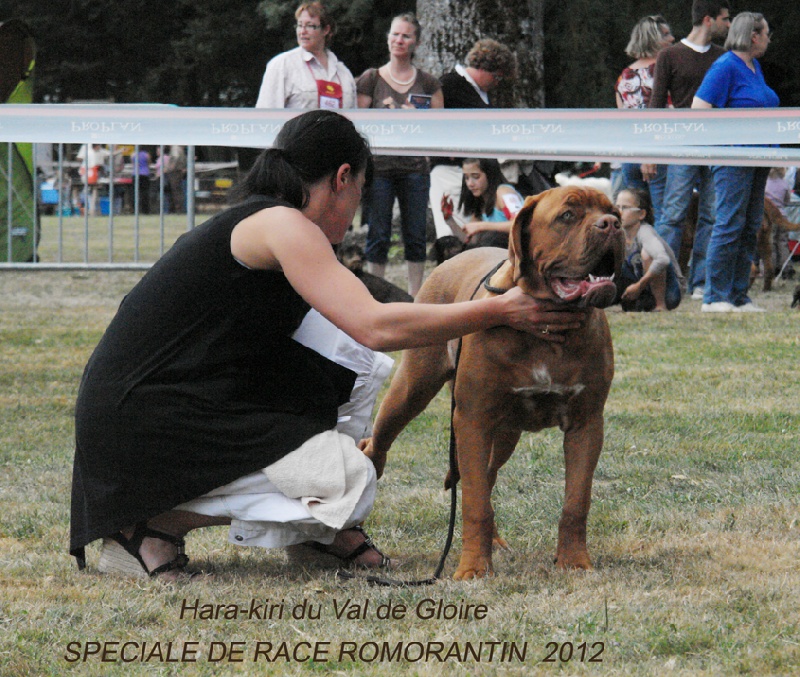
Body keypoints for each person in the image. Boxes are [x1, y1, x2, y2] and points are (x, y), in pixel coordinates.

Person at [69, 110, 585, 580]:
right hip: (140, 423)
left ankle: (321, 535)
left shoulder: (267, 219)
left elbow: (362, 333)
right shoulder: (283, 224)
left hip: (167, 403)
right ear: (342, 179)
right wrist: (498, 309)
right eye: (360, 192)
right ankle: (144, 527)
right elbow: (376, 325)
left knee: (353, 361)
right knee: (350, 482)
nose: (356, 215)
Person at [693, 12, 779, 312]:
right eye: (767, 33)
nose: (769, 39)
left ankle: (739, 296)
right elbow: (699, 109)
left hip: (759, 159)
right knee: (729, 224)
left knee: (750, 226)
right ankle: (714, 296)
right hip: (732, 160)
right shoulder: (725, 66)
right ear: (754, 35)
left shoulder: (754, 67)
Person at [646, 0, 731, 300]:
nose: (729, 24)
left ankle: (700, 282)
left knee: (711, 215)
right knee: (673, 215)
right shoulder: (669, 55)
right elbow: (656, 105)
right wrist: (650, 153)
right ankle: (663, 284)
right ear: (709, 20)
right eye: (725, 18)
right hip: (682, 146)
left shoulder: (724, 57)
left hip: (717, 148)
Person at [356, 13, 443, 297]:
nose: (399, 40)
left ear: (415, 42)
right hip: (378, 168)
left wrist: (417, 119)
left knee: (416, 236)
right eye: (395, 34)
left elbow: (443, 128)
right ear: (388, 37)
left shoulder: (429, 83)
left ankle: (416, 298)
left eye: (406, 36)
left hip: (415, 169)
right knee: (378, 235)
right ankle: (373, 295)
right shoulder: (370, 78)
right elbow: (357, 123)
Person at [429, 38, 516, 246]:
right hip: (449, 171)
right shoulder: (449, 85)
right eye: (497, 77)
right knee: (452, 240)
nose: (498, 82)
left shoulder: (480, 93)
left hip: (472, 174)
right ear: (485, 69)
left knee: (472, 237)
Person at [615, 15, 674, 225]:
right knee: (663, 216)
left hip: (631, 154)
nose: (672, 38)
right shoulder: (666, 71)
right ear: (652, 39)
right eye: (666, 35)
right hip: (659, 152)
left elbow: (622, 121)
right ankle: (659, 256)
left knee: (634, 217)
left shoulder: (624, 76)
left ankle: (634, 255)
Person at [255, 2, 356, 110]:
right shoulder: (282, 65)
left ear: (326, 30)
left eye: (310, 26)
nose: (302, 31)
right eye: (299, 25)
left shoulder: (344, 73)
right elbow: (266, 116)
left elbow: (354, 120)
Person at [614, 188, 682, 312]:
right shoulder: (619, 234)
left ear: (641, 214)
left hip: (669, 293)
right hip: (644, 288)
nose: (619, 212)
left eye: (625, 208)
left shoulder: (645, 232)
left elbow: (663, 260)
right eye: (617, 207)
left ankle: (660, 305)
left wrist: (639, 286)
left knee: (647, 255)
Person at [442, 157, 523, 251]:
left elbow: (520, 224)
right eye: (466, 178)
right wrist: (449, 220)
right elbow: (471, 241)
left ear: (490, 174)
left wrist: (481, 226)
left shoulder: (504, 193)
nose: (470, 184)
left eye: (476, 177)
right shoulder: (480, 202)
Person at [764, 167, 795, 280]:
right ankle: (786, 269)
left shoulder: (765, 182)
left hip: (768, 217)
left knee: (770, 244)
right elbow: (787, 200)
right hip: (782, 216)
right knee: (782, 243)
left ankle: (770, 269)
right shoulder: (784, 184)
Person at [75, 143, 110, 216]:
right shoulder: (88, 150)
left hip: (89, 174)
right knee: (87, 192)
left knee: (89, 193)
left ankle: (89, 209)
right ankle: (86, 209)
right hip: (89, 174)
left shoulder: (97, 151)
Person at [132, 147, 152, 214]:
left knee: (136, 193)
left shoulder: (133, 155)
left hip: (135, 174)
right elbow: (149, 163)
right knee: (145, 193)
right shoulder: (146, 155)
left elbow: (133, 164)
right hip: (145, 174)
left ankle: (135, 210)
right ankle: (145, 210)